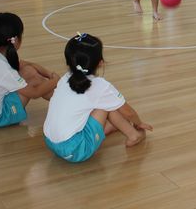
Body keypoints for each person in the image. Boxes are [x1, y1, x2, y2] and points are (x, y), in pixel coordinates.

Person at [44, 33, 152, 162]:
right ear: (100, 63)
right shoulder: (100, 86)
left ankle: (109, 127)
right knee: (106, 105)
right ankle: (133, 135)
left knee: (96, 104)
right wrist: (139, 123)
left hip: (50, 142)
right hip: (75, 150)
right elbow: (128, 112)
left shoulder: (65, 78)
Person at [0, 13, 59, 127]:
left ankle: (63, 101)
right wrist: (55, 80)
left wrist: (49, 74)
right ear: (16, 40)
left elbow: (29, 65)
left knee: (29, 71)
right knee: (35, 81)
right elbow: (35, 93)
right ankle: (65, 104)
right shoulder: (4, 69)